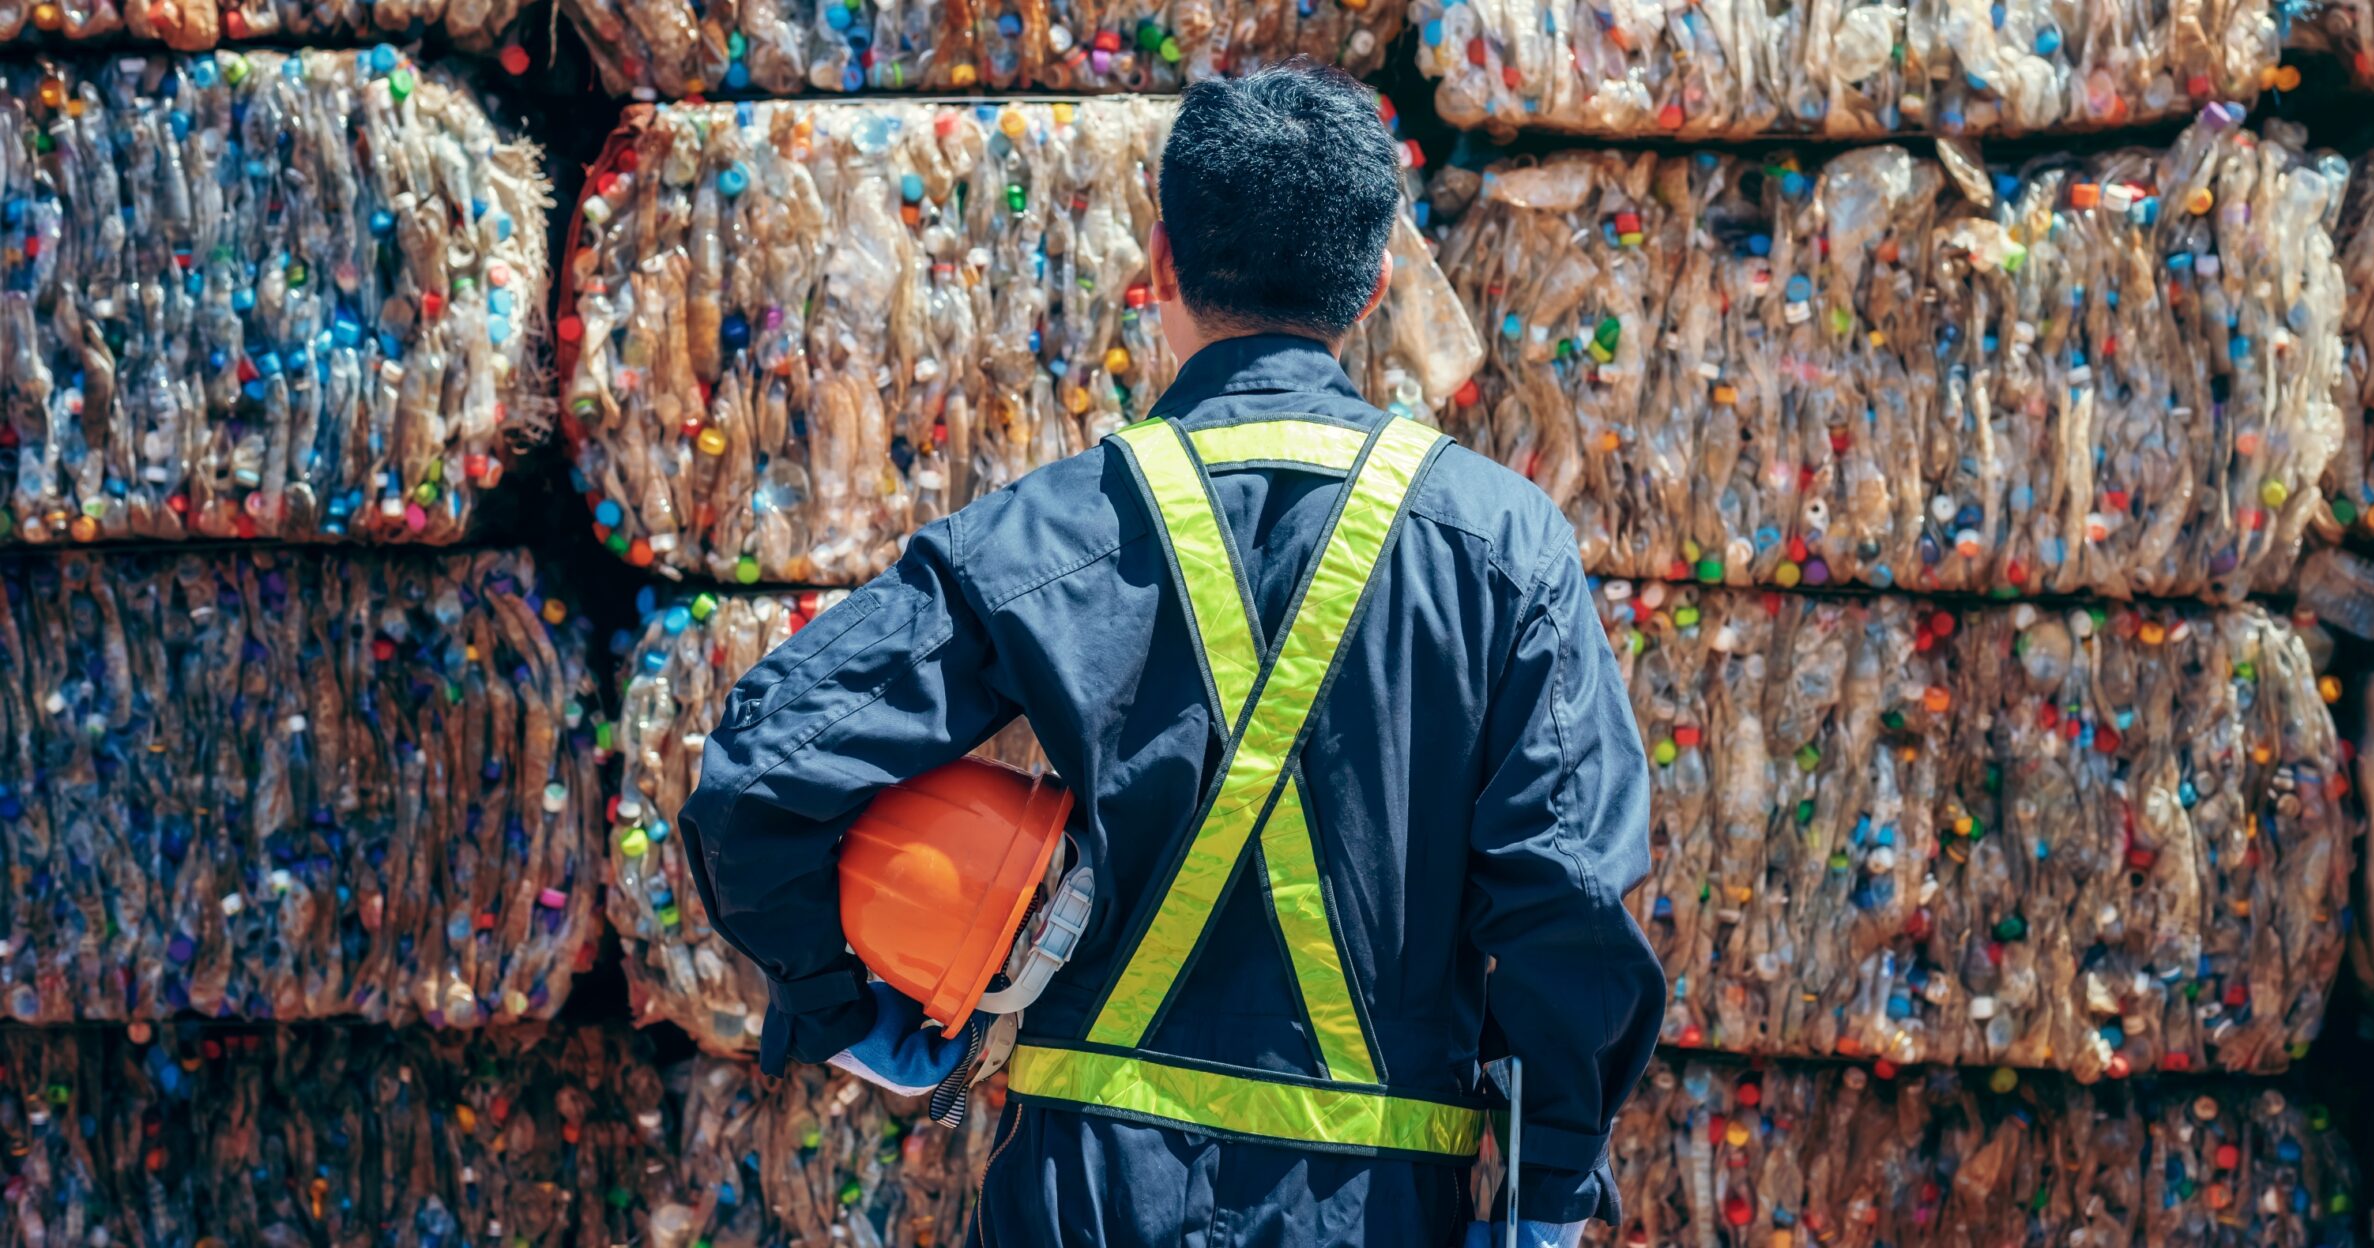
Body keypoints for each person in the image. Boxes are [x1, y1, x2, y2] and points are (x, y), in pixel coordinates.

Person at [679, 59, 1663, 1247]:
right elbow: (1567, 902)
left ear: (1157, 265)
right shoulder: (1503, 546)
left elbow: (758, 774)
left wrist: (843, 1010)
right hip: (1369, 1213)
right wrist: (1547, 1194)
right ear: (1377, 286)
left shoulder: (1046, 532)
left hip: (1084, 1203)